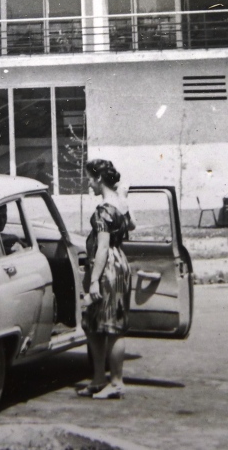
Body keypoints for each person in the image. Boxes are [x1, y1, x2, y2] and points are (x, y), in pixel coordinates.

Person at [78, 158, 135, 400]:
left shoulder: (103, 209)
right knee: (93, 323)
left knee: (111, 325)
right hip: (119, 263)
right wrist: (123, 197)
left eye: (90, 179)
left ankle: (116, 382)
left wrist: (93, 280)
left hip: (107, 268)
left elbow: (102, 248)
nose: (89, 184)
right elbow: (132, 225)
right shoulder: (119, 203)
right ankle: (99, 378)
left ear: (99, 178)